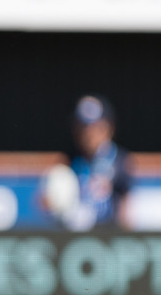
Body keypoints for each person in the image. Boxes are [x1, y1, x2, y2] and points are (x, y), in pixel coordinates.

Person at [40, 94, 134, 231]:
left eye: (93, 128)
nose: (87, 134)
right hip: (73, 234)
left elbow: (125, 208)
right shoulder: (68, 159)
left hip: (107, 234)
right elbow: (47, 202)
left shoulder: (119, 159)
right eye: (82, 128)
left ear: (108, 128)